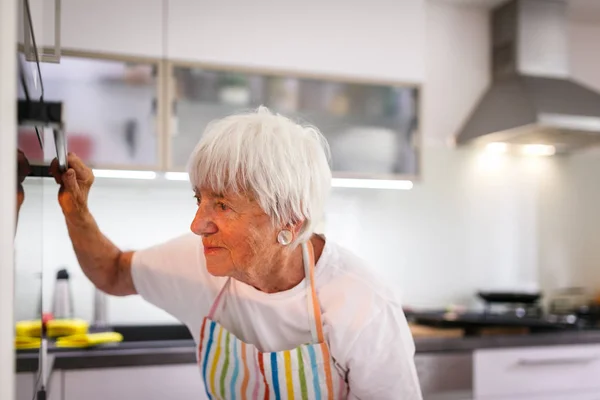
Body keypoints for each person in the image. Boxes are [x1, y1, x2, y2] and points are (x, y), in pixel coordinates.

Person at [50, 106, 423, 399]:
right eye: (200, 199)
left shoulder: (363, 303)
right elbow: (113, 273)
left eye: (223, 205)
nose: (197, 224)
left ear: (288, 221)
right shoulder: (198, 263)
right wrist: (76, 210)